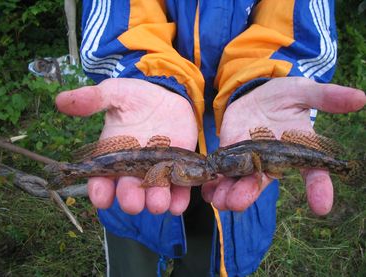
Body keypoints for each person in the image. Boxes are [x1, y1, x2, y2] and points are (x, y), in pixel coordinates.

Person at [56, 1, 365, 276]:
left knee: (208, 259)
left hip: (234, 138)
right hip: (147, 129)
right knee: (134, 253)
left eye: (207, 169)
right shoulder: (175, 167)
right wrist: (143, 76)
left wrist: (268, 81)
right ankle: (69, 172)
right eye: (205, 170)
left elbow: (293, 28)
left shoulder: (224, 166)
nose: (210, 171)